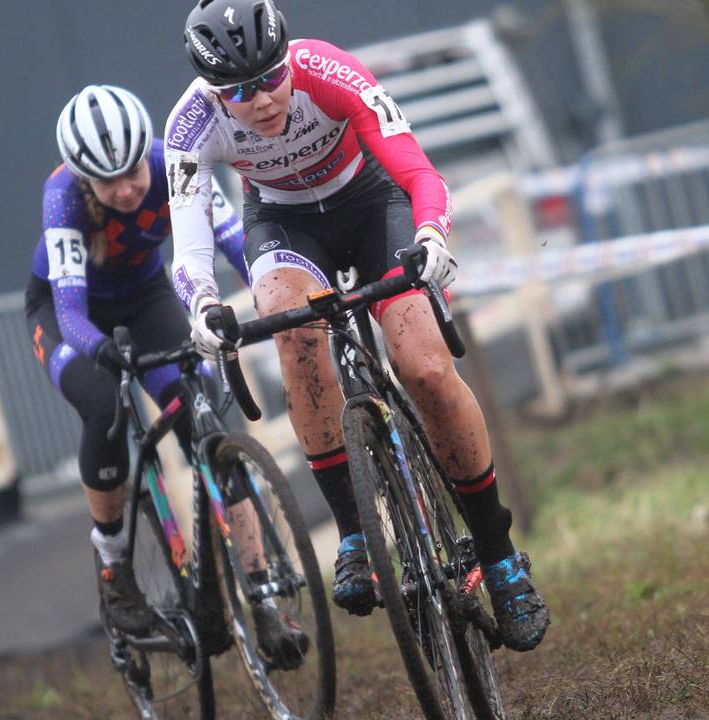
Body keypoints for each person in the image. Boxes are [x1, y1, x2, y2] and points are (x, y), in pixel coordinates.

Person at [166, 0, 550, 651]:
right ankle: (353, 535)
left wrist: (430, 233)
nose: (258, 99)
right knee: (294, 339)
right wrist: (202, 304)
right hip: (285, 226)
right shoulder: (190, 127)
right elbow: (190, 243)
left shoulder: (328, 71)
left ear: (287, 59)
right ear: (212, 90)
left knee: (425, 367)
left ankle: (500, 552)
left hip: (374, 202)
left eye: (268, 76)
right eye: (237, 90)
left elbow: (417, 169)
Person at [26, 84, 306, 663]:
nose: (127, 190)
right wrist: (100, 349)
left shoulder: (169, 159)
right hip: (66, 314)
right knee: (103, 407)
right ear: (84, 181)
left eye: (132, 173)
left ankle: (262, 597)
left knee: (203, 423)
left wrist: (277, 299)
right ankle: (115, 568)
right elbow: (70, 311)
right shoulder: (62, 198)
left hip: (146, 295)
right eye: (109, 184)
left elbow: (233, 242)